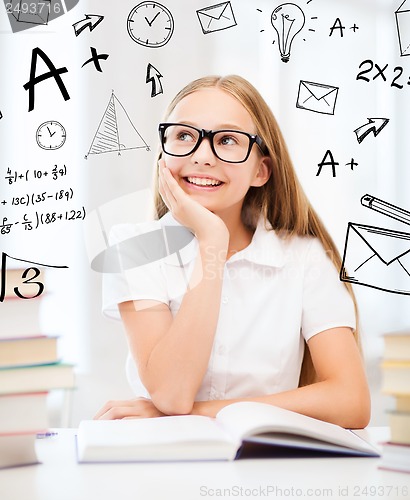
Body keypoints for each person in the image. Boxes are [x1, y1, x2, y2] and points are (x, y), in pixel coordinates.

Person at [96, 75, 370, 428]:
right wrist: (211, 240)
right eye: (183, 136)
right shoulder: (134, 248)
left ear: (261, 170)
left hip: (267, 466)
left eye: (226, 140)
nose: (202, 157)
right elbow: (171, 392)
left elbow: (351, 401)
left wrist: (201, 413)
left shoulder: (305, 257)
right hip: (164, 464)